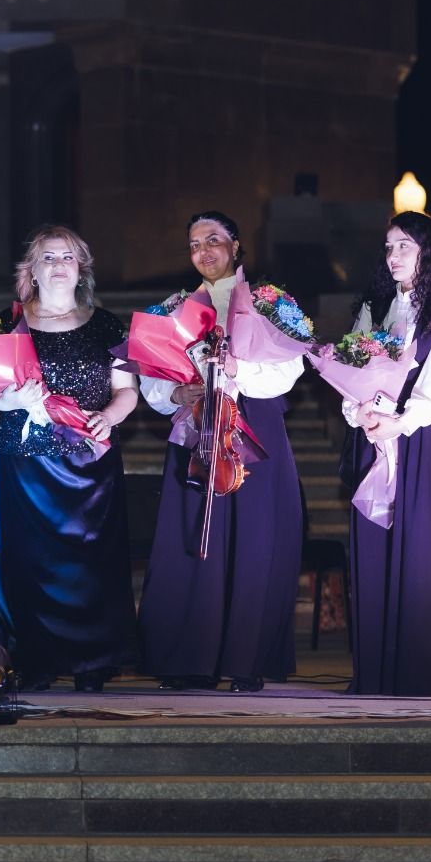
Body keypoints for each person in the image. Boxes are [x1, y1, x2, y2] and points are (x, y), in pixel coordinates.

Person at [136, 212, 304, 692]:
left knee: (254, 543)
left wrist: (234, 371)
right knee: (193, 542)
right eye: (193, 244)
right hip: (199, 434)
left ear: (236, 245)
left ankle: (246, 661)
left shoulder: (271, 303)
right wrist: (176, 394)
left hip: (255, 430)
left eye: (213, 240)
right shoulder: (172, 307)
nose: (203, 251)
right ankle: (191, 658)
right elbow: (151, 377)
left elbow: (290, 369)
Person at [0, 225, 139, 692]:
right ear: (32, 269)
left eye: (68, 256)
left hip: (90, 464)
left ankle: (94, 662)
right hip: (25, 463)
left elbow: (128, 392)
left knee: (93, 566)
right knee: (27, 563)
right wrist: (11, 400)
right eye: (48, 257)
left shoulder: (109, 325)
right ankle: (35, 660)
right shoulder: (5, 324)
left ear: (81, 267)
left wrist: (109, 415)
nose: (59, 264)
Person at [341, 210, 431, 696]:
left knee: (421, 544)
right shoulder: (377, 305)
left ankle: (422, 669)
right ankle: (380, 672)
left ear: (429, 250)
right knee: (377, 540)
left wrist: (399, 422)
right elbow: (352, 365)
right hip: (375, 435)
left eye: (404, 245)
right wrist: (356, 409)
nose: (393, 255)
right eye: (388, 247)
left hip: (423, 438)